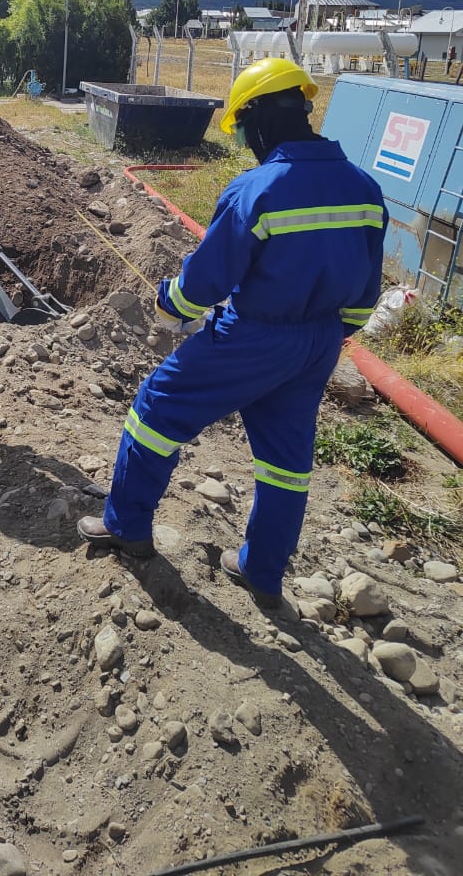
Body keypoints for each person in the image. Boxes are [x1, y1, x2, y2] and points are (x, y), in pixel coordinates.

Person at [76, 57, 387, 610]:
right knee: (286, 461)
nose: (244, 141)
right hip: (320, 342)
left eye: (242, 129)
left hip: (254, 336)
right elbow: (366, 291)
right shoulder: (365, 190)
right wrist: (326, 337)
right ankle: (262, 572)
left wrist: (169, 301)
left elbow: (204, 282)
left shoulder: (259, 190)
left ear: (260, 120)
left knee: (156, 408)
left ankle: (126, 524)